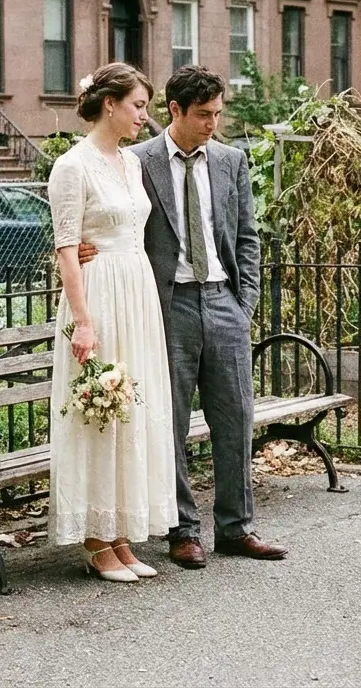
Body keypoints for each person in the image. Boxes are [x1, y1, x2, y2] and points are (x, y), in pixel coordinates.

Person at [80, 65, 287, 568]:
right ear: (174, 110)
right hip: (166, 307)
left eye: (218, 113)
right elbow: (110, 220)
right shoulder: (137, 161)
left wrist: (244, 303)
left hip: (223, 301)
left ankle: (236, 528)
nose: (213, 124)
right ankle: (183, 530)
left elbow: (247, 236)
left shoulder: (231, 161)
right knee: (167, 422)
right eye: (203, 115)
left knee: (235, 417)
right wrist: (88, 249)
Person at [46, 63, 178, 583]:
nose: (145, 116)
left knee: (133, 411)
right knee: (100, 411)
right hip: (98, 293)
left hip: (136, 292)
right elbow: (66, 248)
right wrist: (83, 322)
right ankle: (96, 540)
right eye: (138, 106)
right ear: (110, 104)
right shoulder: (72, 166)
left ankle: (121, 533)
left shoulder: (132, 163)